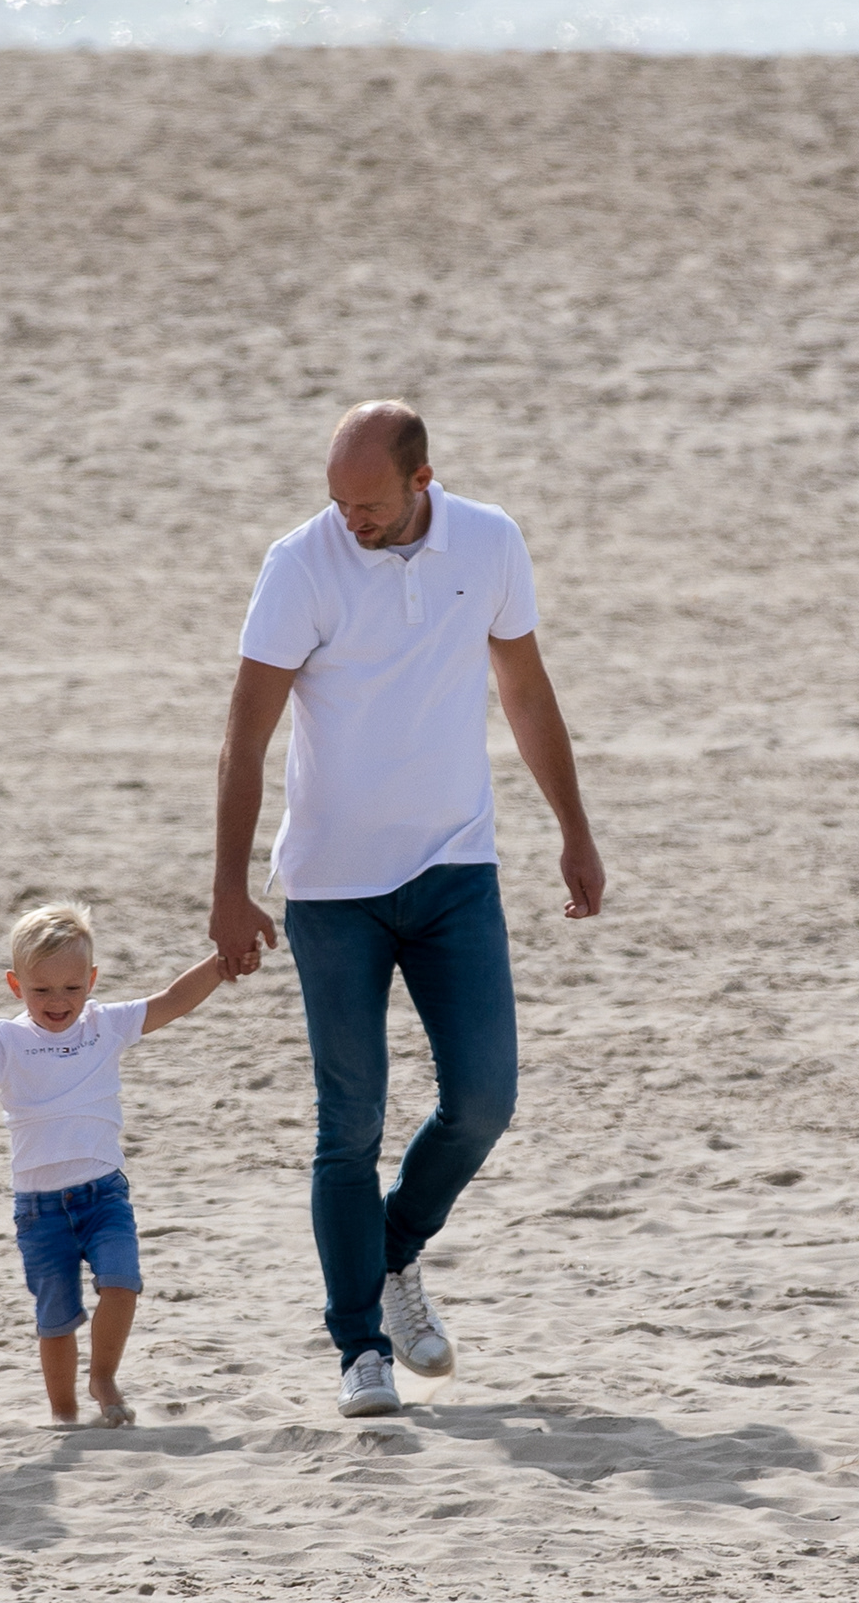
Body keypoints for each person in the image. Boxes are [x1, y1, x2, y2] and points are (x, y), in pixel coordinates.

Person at [211, 402, 605, 1418]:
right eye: (338, 502)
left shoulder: (490, 541)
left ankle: (388, 1252)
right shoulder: (299, 565)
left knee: (484, 1101)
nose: (351, 520)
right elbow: (246, 730)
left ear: (423, 478)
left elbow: (526, 691)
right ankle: (360, 1347)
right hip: (332, 891)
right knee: (350, 1124)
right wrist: (229, 885)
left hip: (455, 869)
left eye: (371, 504)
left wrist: (573, 828)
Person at [0, 903, 227, 1426]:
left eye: (71, 987)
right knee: (56, 1319)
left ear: (91, 980)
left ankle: (103, 1376)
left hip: (104, 1193)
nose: (58, 1001)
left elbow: (173, 1000)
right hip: (40, 1209)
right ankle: (63, 1412)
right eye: (41, 989)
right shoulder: (8, 1039)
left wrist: (221, 963)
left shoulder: (104, 1024)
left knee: (122, 1282)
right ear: (16, 985)